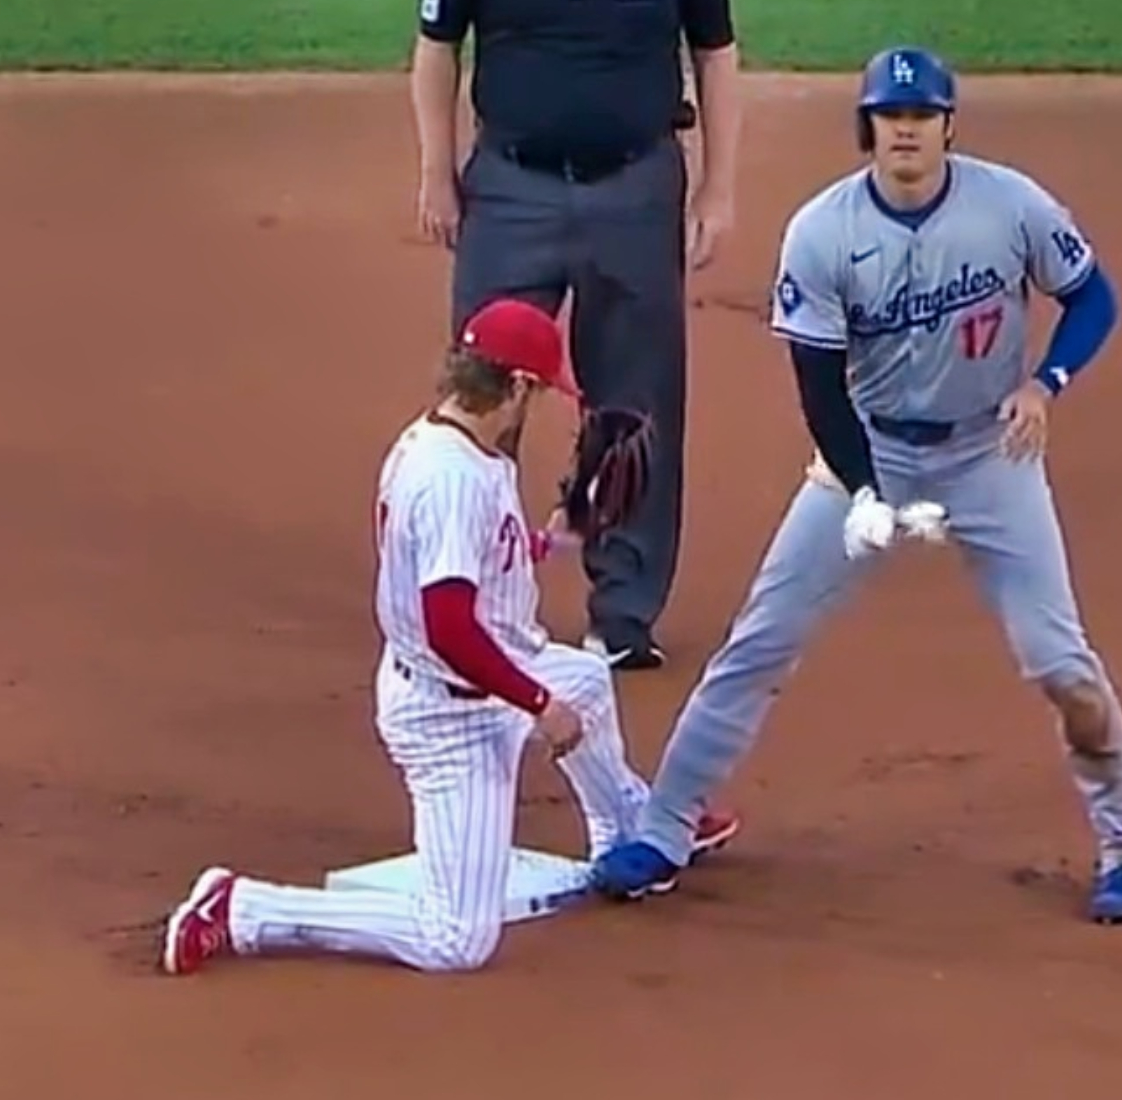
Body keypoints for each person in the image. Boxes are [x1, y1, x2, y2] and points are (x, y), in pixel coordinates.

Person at [584, 47, 1122, 924]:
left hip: (989, 460)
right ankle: (664, 829)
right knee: (759, 642)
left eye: (921, 116)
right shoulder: (823, 232)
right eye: (890, 118)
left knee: (1060, 662)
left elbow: (1093, 298)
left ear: (947, 125)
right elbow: (819, 387)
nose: (905, 130)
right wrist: (863, 492)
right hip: (868, 450)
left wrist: (1045, 384)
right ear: (868, 129)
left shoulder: (1010, 206)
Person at [158, 299, 739, 977]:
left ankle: (637, 827)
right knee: (455, 938)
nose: (544, 404)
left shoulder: (455, 441)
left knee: (585, 680)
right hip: (450, 713)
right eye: (541, 390)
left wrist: (550, 539)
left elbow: (471, 553)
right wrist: (535, 704)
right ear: (516, 386)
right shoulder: (449, 478)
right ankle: (243, 908)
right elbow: (450, 625)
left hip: (484, 670)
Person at [408, 0, 744, 671]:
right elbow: (436, 44)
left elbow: (716, 51)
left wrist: (717, 187)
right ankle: (470, 595)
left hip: (636, 187)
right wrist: (435, 171)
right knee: (480, 395)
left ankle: (623, 614)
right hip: (509, 187)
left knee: (633, 401)